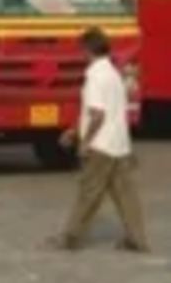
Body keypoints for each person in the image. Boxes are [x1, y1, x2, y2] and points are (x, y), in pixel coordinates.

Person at [47, 27, 149, 252]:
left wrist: (85, 142)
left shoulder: (94, 76)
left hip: (101, 146)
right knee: (126, 196)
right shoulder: (113, 74)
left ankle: (71, 237)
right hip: (119, 144)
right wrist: (74, 130)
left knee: (89, 193)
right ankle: (137, 238)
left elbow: (97, 114)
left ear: (87, 50)